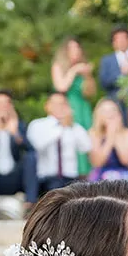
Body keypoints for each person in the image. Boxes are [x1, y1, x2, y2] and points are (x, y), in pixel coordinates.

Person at [27, 92, 93, 195]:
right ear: (47, 106)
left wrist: (71, 126)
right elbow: (39, 145)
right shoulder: (38, 124)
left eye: (63, 104)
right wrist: (61, 127)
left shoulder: (74, 127)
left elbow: (86, 147)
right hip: (47, 178)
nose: (60, 107)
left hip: (71, 177)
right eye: (55, 104)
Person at [52, 38, 96, 176]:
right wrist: (74, 70)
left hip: (84, 108)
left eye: (77, 47)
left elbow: (90, 93)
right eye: (72, 48)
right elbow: (61, 87)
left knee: (87, 139)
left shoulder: (84, 67)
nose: (76, 51)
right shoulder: (58, 66)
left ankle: (87, 175)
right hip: (69, 107)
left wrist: (88, 76)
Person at [88, 98, 128, 182]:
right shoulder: (93, 133)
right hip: (100, 176)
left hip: (123, 175)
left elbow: (126, 160)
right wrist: (110, 137)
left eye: (112, 110)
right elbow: (97, 162)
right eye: (105, 111)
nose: (109, 114)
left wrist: (116, 134)